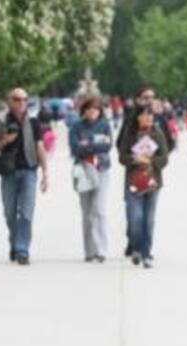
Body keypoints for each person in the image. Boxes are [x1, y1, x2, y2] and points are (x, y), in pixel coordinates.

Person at [0, 88, 50, 265]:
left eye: (24, 99)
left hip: (29, 171)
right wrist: (5, 141)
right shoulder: (0, 121)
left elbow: (39, 147)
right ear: (10, 101)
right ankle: (14, 242)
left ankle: (22, 249)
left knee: (26, 212)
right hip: (8, 173)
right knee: (9, 213)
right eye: (17, 99)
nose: (21, 102)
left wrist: (45, 172)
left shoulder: (33, 121)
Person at [118, 106, 169, 269]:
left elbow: (164, 158)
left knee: (149, 219)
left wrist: (151, 161)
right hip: (133, 181)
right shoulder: (130, 133)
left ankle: (146, 253)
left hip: (153, 181)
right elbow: (122, 157)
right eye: (144, 115)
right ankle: (136, 247)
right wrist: (135, 159)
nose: (148, 118)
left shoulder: (158, 133)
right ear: (137, 117)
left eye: (150, 115)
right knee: (135, 217)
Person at [69, 97, 113, 263]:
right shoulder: (76, 127)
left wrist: (87, 143)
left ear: (100, 111)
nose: (92, 112)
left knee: (99, 209)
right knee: (87, 212)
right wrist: (95, 143)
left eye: (95, 109)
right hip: (83, 171)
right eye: (88, 109)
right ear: (84, 111)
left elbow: (107, 146)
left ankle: (102, 249)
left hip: (101, 169)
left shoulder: (105, 125)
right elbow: (75, 148)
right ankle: (89, 251)